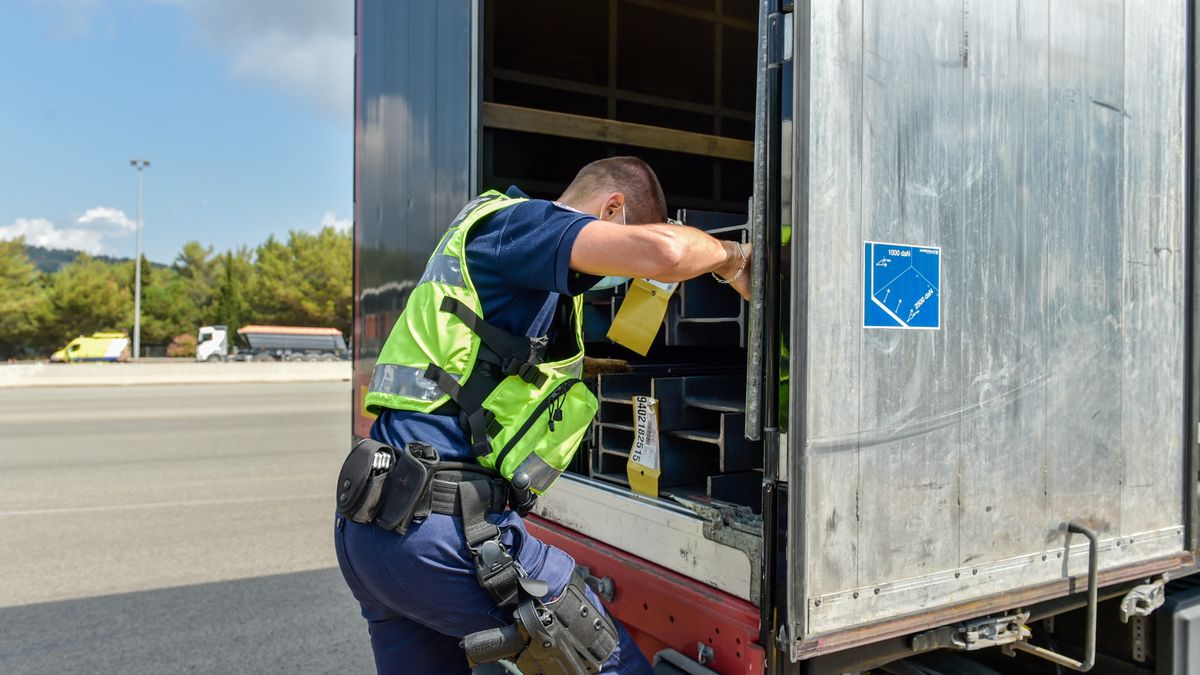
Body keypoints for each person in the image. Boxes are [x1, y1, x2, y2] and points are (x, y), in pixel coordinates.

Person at [334, 156, 751, 674]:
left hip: (373, 529)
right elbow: (664, 252)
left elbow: (482, 366)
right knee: (614, 662)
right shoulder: (521, 223)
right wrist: (732, 257)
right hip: (442, 531)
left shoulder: (505, 251)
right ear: (612, 209)